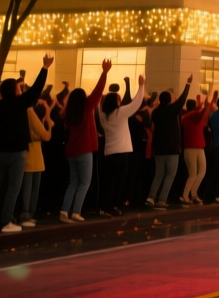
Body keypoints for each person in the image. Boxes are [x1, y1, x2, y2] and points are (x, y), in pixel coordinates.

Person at [0, 55, 53, 232]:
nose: (21, 89)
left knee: (0, 188)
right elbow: (36, 90)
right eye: (19, 87)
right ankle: (6, 221)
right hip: (17, 152)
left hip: (0, 151)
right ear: (15, 90)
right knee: (13, 189)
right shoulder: (19, 103)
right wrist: (44, 68)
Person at [59, 59, 111, 222]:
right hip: (84, 150)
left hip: (71, 151)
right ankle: (76, 212)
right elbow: (97, 92)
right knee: (84, 183)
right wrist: (104, 73)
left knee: (73, 182)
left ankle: (64, 211)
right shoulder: (86, 107)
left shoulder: (69, 112)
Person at [96, 74, 146, 214]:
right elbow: (136, 104)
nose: (120, 101)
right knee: (119, 181)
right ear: (115, 102)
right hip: (122, 152)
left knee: (108, 180)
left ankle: (103, 206)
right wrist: (141, 85)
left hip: (108, 152)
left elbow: (99, 106)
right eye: (119, 99)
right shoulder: (120, 113)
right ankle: (112, 207)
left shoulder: (103, 115)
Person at [146, 75, 192, 207]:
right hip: (172, 148)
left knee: (159, 174)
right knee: (170, 175)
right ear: (169, 100)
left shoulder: (155, 112)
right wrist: (188, 84)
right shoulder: (172, 110)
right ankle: (162, 199)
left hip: (159, 148)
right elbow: (182, 99)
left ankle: (151, 197)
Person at [21, 100, 52, 227]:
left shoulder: (27, 112)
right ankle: (26, 215)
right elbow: (46, 136)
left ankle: (27, 214)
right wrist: (49, 125)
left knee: (30, 189)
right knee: (31, 189)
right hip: (34, 155)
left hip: (30, 155)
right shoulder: (29, 111)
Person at [179, 92, 211, 204]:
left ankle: (193, 194)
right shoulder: (192, 117)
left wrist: (203, 104)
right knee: (195, 173)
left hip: (194, 147)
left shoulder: (186, 117)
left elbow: (202, 114)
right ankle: (185, 195)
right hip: (194, 147)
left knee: (200, 172)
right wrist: (208, 103)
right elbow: (202, 113)